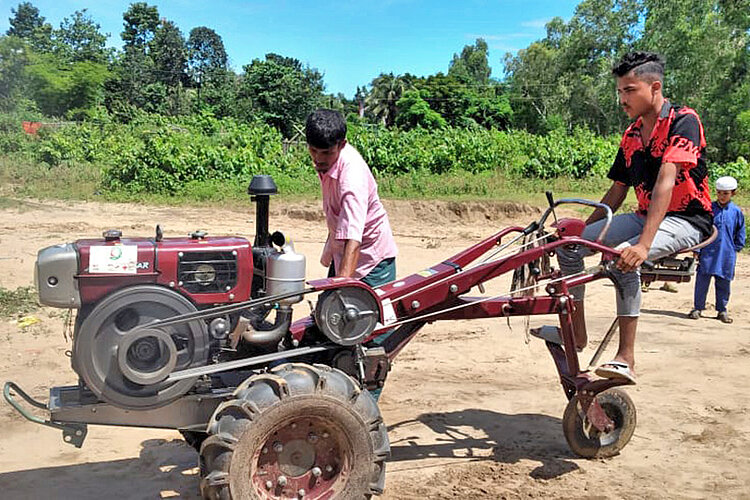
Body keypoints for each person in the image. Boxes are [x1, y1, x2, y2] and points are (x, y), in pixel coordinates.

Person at [556, 51, 713, 384]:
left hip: (688, 219)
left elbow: (665, 182)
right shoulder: (631, 135)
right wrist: (581, 233)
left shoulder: (683, 121)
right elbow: (617, 192)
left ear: (654, 87)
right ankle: (577, 333)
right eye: (619, 91)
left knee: (623, 259)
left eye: (629, 90)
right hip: (646, 215)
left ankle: (626, 358)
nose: (621, 99)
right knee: (569, 249)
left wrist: (643, 245)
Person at [305, 108, 398, 288]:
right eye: (314, 150)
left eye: (326, 153)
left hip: (371, 261)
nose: (318, 158)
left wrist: (341, 290)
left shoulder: (352, 177)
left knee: (364, 313)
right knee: (329, 310)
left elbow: (354, 237)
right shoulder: (327, 162)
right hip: (341, 250)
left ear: (342, 145)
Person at [688, 176, 745, 323]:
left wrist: (736, 247)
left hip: (726, 253)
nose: (722, 196)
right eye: (719, 192)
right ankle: (698, 308)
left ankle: (722, 310)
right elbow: (701, 229)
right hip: (707, 252)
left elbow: (740, 231)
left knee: (724, 282)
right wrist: (698, 249)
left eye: (725, 193)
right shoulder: (709, 209)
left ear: (733, 193)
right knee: (702, 281)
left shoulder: (736, 212)